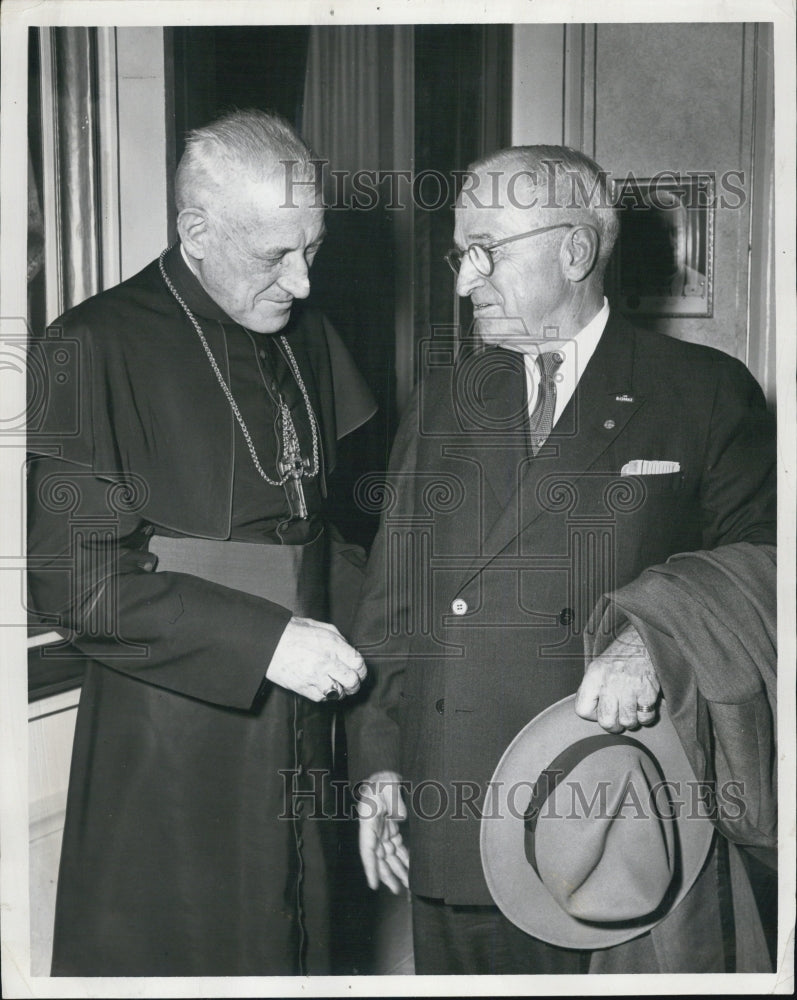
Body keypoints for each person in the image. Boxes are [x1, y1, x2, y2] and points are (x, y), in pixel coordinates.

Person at [345, 145, 776, 974]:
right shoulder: (444, 396)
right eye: (458, 254)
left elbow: (763, 564)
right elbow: (393, 599)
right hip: (457, 801)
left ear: (573, 252)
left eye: (485, 253)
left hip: (616, 801)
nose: (464, 280)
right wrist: (379, 765)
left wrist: (648, 639)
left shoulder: (702, 390)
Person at [26, 109, 375, 976]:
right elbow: (74, 586)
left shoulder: (306, 332)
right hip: (176, 720)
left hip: (309, 701)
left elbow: (327, 531)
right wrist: (265, 640)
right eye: (273, 256)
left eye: (312, 249)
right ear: (195, 231)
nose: (299, 283)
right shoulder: (91, 345)